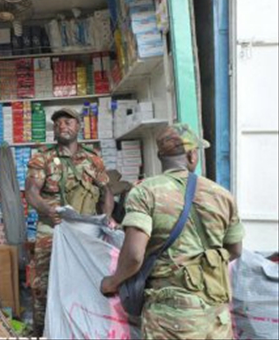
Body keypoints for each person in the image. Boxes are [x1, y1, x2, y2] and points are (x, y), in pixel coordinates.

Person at [100, 123, 244, 339]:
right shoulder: (222, 195)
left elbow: (134, 256)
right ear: (192, 155)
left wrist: (111, 282)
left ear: (160, 157)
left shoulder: (145, 192)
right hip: (216, 316)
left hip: (171, 318)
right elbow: (235, 249)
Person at [25, 107, 115, 336]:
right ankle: (41, 331)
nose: (62, 126)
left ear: (78, 126)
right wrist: (47, 209)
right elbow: (31, 192)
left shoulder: (93, 159)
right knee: (44, 286)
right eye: (57, 123)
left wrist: (107, 217)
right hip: (52, 228)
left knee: (87, 282)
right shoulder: (42, 157)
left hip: (86, 230)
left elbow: (107, 192)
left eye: (68, 121)